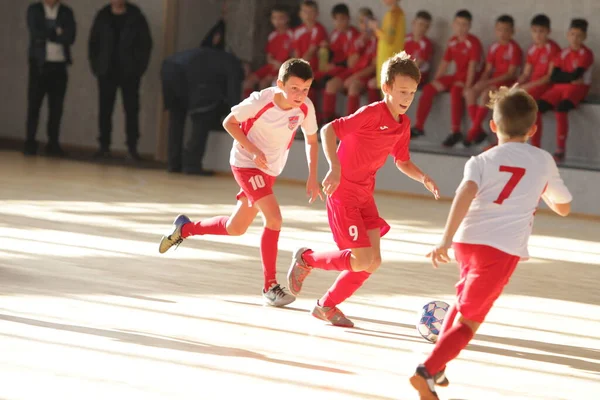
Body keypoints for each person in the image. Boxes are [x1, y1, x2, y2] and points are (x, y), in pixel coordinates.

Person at [409, 86, 572, 400]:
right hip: (501, 250)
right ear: (534, 129)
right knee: (471, 321)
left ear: (493, 126)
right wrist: (543, 193)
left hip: (467, 243)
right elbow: (563, 206)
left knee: (461, 303)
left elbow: (464, 195)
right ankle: (426, 370)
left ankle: (438, 368)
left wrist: (445, 239)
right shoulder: (542, 160)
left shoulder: (480, 159)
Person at [286, 52, 440, 328]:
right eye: (402, 91)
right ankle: (306, 259)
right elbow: (329, 131)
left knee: (373, 261)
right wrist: (334, 167)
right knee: (360, 260)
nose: (407, 98)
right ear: (387, 88)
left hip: (365, 195)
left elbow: (402, 160)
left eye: (412, 93)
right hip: (343, 191)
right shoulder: (372, 113)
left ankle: (326, 305)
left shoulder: (403, 125)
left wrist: (423, 177)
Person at [159, 59, 321, 307]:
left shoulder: (306, 108)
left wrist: (312, 176)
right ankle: (270, 286)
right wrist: (253, 150)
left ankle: (185, 229)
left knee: (236, 227)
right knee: (274, 219)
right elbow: (229, 123)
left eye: (306, 89)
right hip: (246, 162)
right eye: (294, 88)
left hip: (270, 169)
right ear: (280, 84)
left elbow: (311, 140)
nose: (300, 95)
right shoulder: (260, 101)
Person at [160, 47, 244, 174]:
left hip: (169, 68)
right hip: (187, 74)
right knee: (202, 117)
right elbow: (234, 97)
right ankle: (191, 165)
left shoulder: (217, 57)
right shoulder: (234, 66)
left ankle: (174, 163)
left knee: (176, 118)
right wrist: (239, 121)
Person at [88, 0, 152, 160]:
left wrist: (139, 68)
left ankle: (132, 148)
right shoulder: (102, 16)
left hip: (129, 73)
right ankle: (104, 147)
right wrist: (97, 67)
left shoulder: (136, 16)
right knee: (105, 110)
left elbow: (146, 44)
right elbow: (93, 43)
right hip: (106, 71)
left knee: (131, 110)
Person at [411, 10, 482, 142]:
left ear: (470, 26)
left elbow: (473, 67)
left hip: (468, 79)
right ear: (453, 24)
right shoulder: (452, 41)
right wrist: (436, 81)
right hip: (456, 76)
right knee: (428, 89)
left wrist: (467, 86)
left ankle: (456, 131)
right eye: (458, 24)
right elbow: (444, 63)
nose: (461, 28)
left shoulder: (473, 42)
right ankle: (419, 126)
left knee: (456, 90)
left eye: (465, 25)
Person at [536, 18, 594, 162]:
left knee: (561, 109)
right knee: (536, 108)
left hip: (577, 89)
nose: (575, 38)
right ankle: (535, 148)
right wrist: (568, 77)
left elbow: (576, 75)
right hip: (558, 88)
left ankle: (560, 149)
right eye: (573, 34)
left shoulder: (586, 54)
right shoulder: (563, 53)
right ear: (568, 35)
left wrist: (566, 77)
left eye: (579, 35)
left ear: (584, 37)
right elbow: (554, 77)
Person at [25, 0, 76, 157]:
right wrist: (57, 32)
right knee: (34, 105)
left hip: (59, 66)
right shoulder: (34, 10)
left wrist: (50, 32)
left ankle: (53, 144)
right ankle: (30, 143)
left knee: (56, 108)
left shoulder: (66, 11)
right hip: (39, 65)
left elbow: (70, 37)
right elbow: (36, 32)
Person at [463, 15, 522, 147]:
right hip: (493, 81)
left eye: (506, 30)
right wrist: (482, 81)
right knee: (470, 92)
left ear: (512, 32)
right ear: (496, 30)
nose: (502, 33)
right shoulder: (494, 47)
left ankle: (473, 131)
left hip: (507, 84)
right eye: (500, 30)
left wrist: (488, 83)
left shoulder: (514, 48)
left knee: (486, 94)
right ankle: (477, 129)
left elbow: (510, 74)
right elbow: (488, 70)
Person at [516, 14, 561, 148]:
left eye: (541, 31)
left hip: (546, 86)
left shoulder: (553, 49)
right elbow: (526, 73)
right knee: (508, 101)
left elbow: (549, 77)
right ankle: (509, 141)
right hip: (533, 86)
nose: (538, 35)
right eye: (534, 31)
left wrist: (527, 86)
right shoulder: (532, 48)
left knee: (533, 108)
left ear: (548, 32)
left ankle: (535, 146)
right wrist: (516, 85)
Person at [243, 5, 293, 98]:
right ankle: (247, 109)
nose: (277, 21)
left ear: (287, 19)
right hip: (271, 66)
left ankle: (264, 110)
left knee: (264, 84)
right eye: (274, 18)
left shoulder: (292, 35)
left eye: (281, 18)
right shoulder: (272, 36)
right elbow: (269, 57)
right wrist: (274, 62)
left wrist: (280, 65)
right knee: (248, 82)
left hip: (284, 69)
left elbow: (294, 56)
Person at [370, 0, 405, 90]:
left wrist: (375, 28)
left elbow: (389, 39)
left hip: (389, 59)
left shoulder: (393, 14)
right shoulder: (397, 13)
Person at [403, 10, 433, 85]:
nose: (422, 28)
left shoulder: (427, 43)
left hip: (419, 74)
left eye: (426, 26)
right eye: (420, 24)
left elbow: (418, 64)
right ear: (413, 23)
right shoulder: (405, 39)